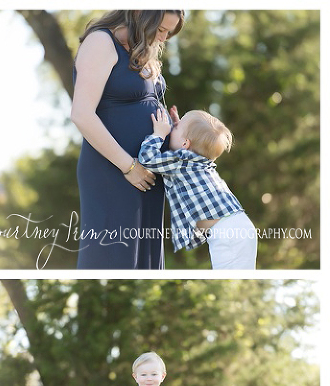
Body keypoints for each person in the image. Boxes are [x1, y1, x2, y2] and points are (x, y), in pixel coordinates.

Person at [70, 10, 184, 269]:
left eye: (169, 32)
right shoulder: (101, 42)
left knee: (144, 264)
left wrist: (173, 131)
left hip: (148, 174)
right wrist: (129, 166)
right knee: (112, 258)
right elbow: (81, 114)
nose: (164, 38)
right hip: (115, 171)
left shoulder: (142, 51)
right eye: (161, 29)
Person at [139, 108, 257, 269]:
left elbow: (147, 158)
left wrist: (159, 134)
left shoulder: (179, 161)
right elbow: (188, 142)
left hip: (227, 233)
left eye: (177, 128)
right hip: (240, 225)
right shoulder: (197, 161)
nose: (172, 129)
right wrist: (179, 128)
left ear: (185, 143)